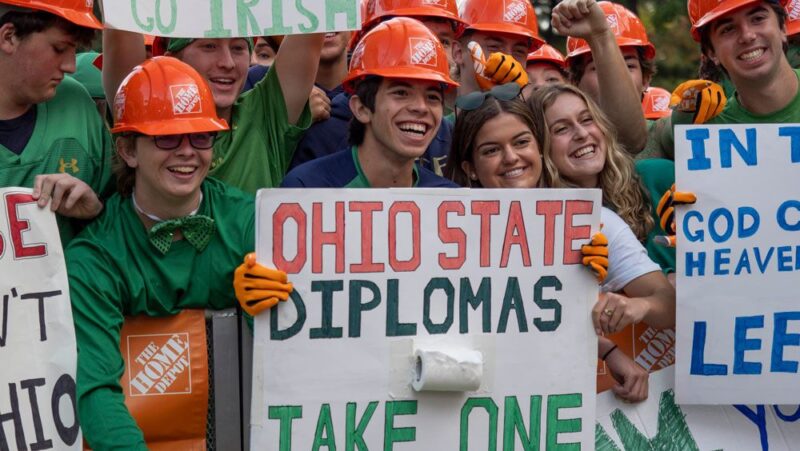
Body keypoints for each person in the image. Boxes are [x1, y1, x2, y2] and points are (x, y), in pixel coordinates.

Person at [68, 56, 292, 449]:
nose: (188, 151)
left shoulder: (252, 222)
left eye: (201, 137)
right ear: (128, 150)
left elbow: (296, 359)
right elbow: (95, 389)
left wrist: (268, 316)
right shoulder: (93, 256)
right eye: (167, 138)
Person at [446, 93, 652, 401]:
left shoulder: (591, 222)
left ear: (539, 149)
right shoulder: (445, 232)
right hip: (468, 399)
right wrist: (606, 349)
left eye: (521, 142)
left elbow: (666, 304)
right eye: (491, 150)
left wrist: (631, 308)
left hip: (552, 405)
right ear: (471, 168)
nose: (511, 157)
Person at [525, 83, 676, 331]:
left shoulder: (656, 177)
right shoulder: (541, 222)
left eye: (587, 120)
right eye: (561, 129)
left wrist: (646, 301)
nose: (581, 134)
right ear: (539, 148)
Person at [102, 25, 324, 194]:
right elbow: (121, 27)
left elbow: (313, 20)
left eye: (238, 48)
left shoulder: (263, 114)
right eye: (209, 46)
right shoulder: (145, 111)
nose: (227, 62)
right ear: (171, 60)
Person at [289, 0, 467, 174]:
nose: (431, 49)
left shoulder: (448, 133)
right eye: (415, 34)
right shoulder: (323, 131)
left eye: (443, 41)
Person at [0, 0, 112, 243]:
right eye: (59, 48)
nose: (71, 66)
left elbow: (121, 219)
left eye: (74, 50)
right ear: (8, 37)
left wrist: (96, 212)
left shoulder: (76, 104)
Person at [556, 0, 652, 154]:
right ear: (575, 83)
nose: (615, 75)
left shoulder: (662, 133)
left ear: (646, 80)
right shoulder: (559, 144)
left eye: (629, 66)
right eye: (598, 67)